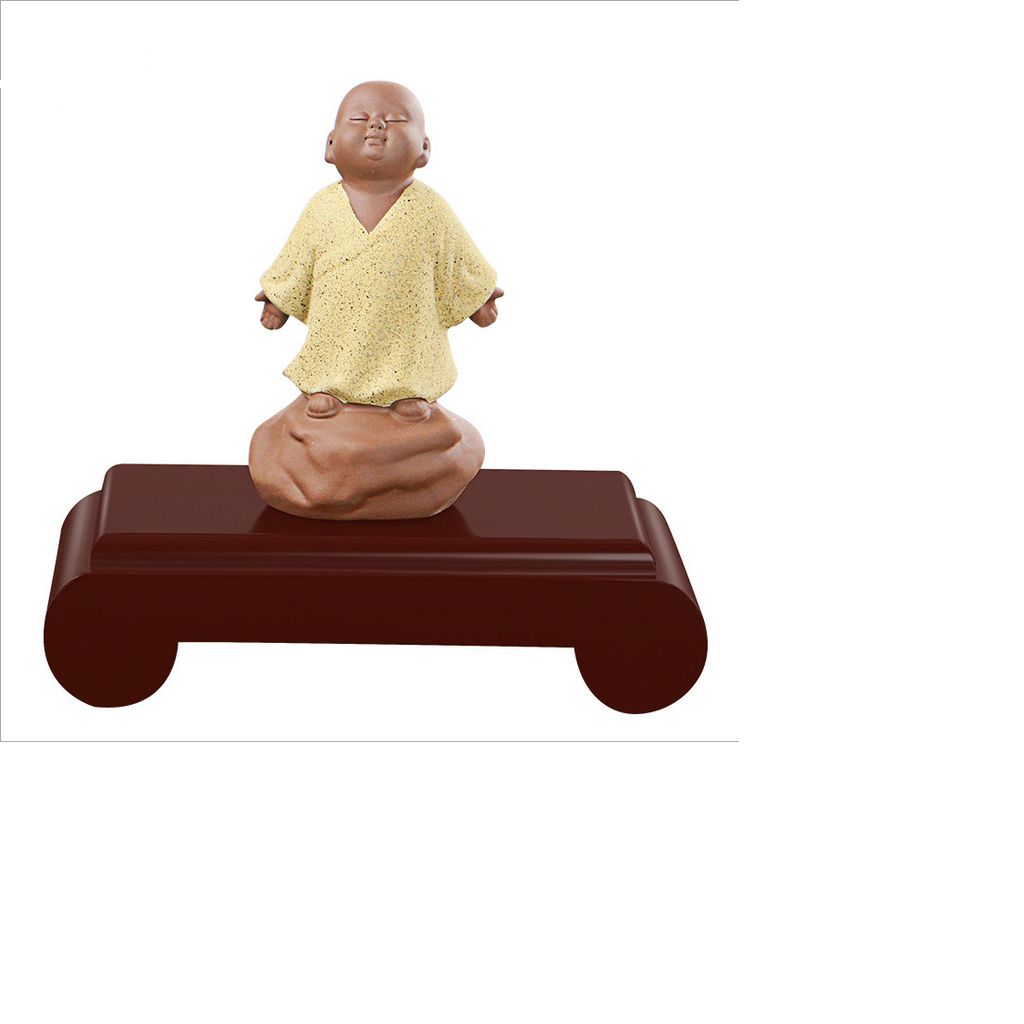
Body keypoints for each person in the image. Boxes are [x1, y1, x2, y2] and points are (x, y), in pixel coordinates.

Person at [255, 80, 503, 408]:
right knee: (332, 351)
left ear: (424, 148)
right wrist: (278, 301)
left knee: (409, 357)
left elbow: (458, 260)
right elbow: (296, 261)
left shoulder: (430, 209)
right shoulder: (322, 208)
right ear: (330, 145)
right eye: (359, 119)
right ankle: (327, 389)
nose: (376, 125)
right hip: (337, 330)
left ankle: (408, 393)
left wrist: (478, 299)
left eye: (395, 120)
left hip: (408, 333)